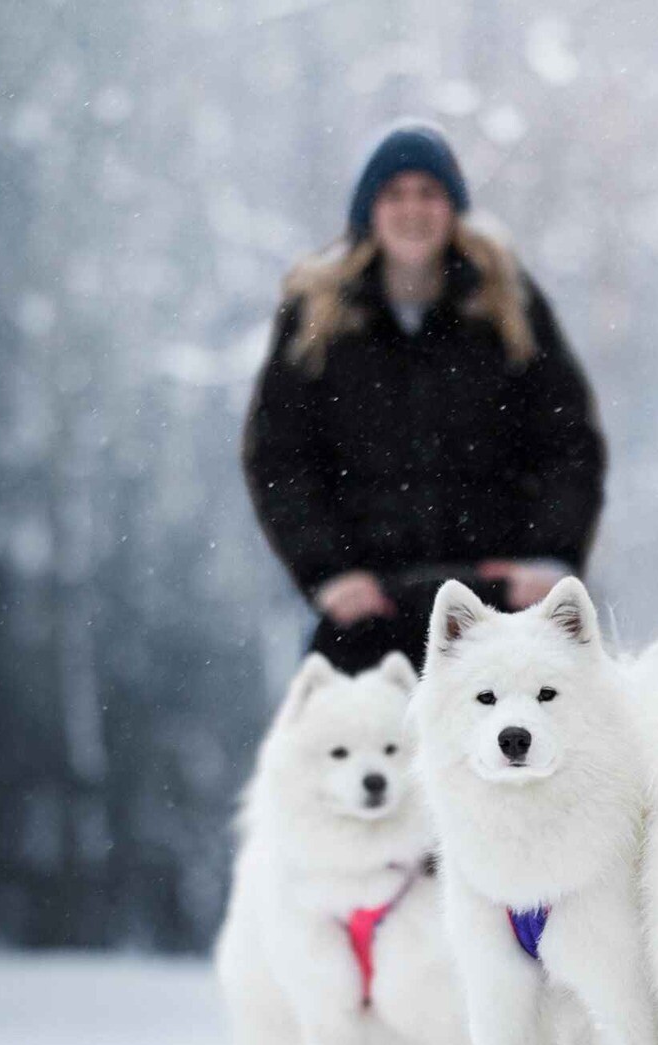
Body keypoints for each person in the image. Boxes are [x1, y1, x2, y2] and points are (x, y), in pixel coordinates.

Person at [241, 120, 607, 675]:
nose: (413, 209)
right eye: (395, 194)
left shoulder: (509, 305)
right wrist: (329, 573)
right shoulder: (316, 316)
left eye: (429, 193)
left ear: (452, 207)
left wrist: (548, 558)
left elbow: (569, 443)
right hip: (366, 614)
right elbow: (279, 457)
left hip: (497, 605)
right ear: (370, 208)